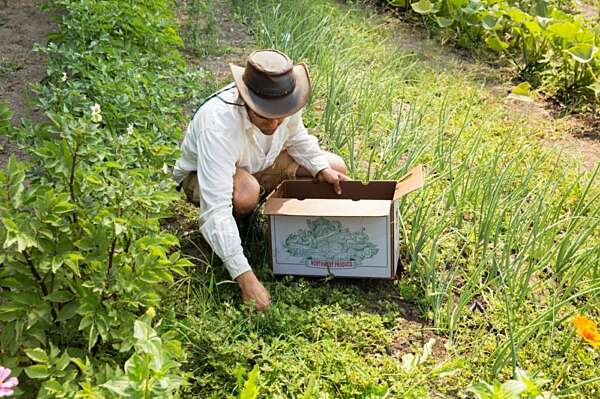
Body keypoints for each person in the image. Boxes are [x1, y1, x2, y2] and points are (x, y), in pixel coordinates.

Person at [172, 49, 349, 311]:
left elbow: (297, 139)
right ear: (246, 100)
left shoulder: (284, 104)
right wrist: (246, 278)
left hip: (260, 163)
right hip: (205, 176)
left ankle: (283, 224)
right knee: (245, 193)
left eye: (281, 114)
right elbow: (215, 211)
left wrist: (322, 169)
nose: (276, 121)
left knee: (334, 165)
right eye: (267, 115)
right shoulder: (218, 126)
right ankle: (237, 236)